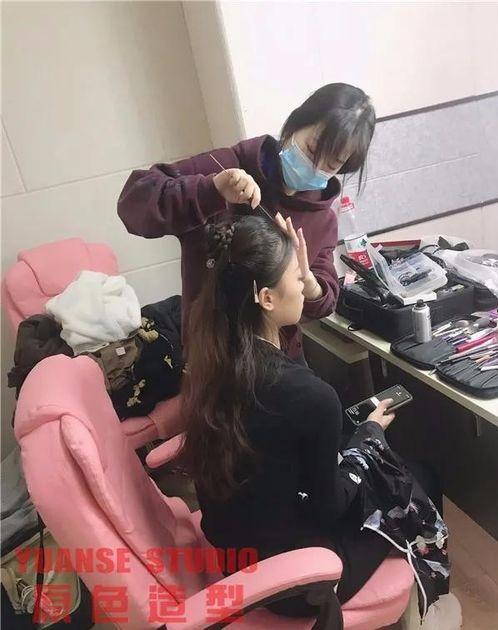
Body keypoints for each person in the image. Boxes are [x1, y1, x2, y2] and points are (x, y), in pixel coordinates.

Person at [179, 214, 413, 617]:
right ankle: (420, 614)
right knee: (417, 482)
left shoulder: (210, 366)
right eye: (296, 275)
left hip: (233, 554)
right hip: (292, 583)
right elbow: (330, 508)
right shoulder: (308, 395)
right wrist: (369, 437)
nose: (305, 283)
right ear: (267, 298)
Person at [117, 83, 376, 360]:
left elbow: (323, 302)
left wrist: (308, 281)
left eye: (332, 165)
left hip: (280, 360)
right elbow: (133, 204)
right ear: (297, 122)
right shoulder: (227, 165)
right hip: (214, 358)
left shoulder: (322, 218)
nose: (316, 168)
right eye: (312, 150)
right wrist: (211, 190)